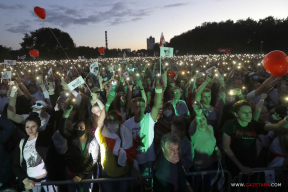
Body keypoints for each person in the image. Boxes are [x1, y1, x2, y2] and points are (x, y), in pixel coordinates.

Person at [222, 100, 288, 177]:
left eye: (249, 112)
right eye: (244, 112)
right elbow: (226, 147)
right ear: (236, 114)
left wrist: (286, 119)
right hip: (234, 167)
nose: (248, 115)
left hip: (252, 166)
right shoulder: (229, 124)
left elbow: (277, 127)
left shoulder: (253, 124)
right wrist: (241, 167)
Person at [123, 78, 163, 190]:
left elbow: (157, 104)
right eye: (136, 106)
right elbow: (126, 146)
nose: (139, 108)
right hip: (134, 161)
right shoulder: (126, 124)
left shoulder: (149, 119)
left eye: (141, 105)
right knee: (135, 187)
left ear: (145, 107)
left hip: (148, 160)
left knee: (147, 186)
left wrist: (158, 89)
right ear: (132, 109)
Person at [95, 109, 141, 192]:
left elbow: (131, 155)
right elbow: (99, 123)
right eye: (109, 120)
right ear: (106, 122)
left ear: (120, 121)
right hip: (108, 174)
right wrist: (107, 104)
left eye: (114, 120)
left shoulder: (127, 134)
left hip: (124, 174)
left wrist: (136, 171)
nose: (112, 122)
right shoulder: (103, 135)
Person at [12, 113, 57, 192]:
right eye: (27, 127)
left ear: (38, 127)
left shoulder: (46, 141)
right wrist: (25, 180)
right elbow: (15, 165)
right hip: (30, 182)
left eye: (33, 126)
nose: (30, 130)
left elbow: (54, 159)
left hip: (47, 181)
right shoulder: (21, 143)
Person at [59, 106, 99, 192]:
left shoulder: (92, 140)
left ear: (87, 129)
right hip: (71, 172)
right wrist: (66, 115)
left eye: (81, 128)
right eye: (77, 127)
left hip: (85, 175)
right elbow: (62, 130)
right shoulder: (71, 137)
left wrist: (81, 176)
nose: (78, 129)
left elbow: (93, 160)